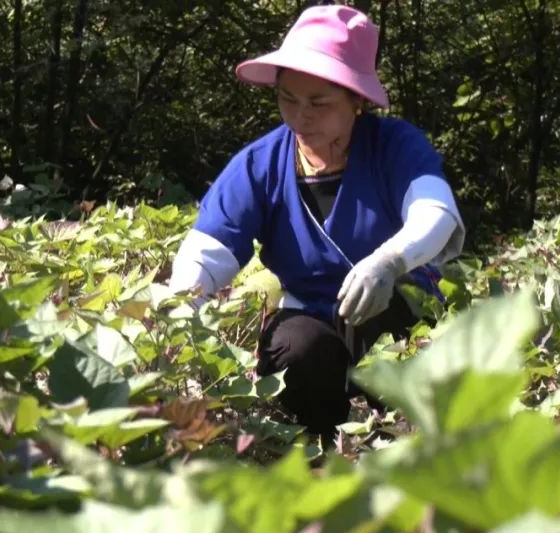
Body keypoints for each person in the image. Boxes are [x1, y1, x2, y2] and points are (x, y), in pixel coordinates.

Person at [167, 4, 464, 437]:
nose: (300, 116)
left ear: (357, 101)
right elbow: (205, 255)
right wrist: (183, 326)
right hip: (311, 318)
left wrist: (388, 262)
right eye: (287, 98)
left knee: (394, 338)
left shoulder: (394, 146)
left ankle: (403, 446)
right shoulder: (260, 165)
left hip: (397, 306)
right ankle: (322, 450)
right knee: (298, 348)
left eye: (319, 103)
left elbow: (434, 213)